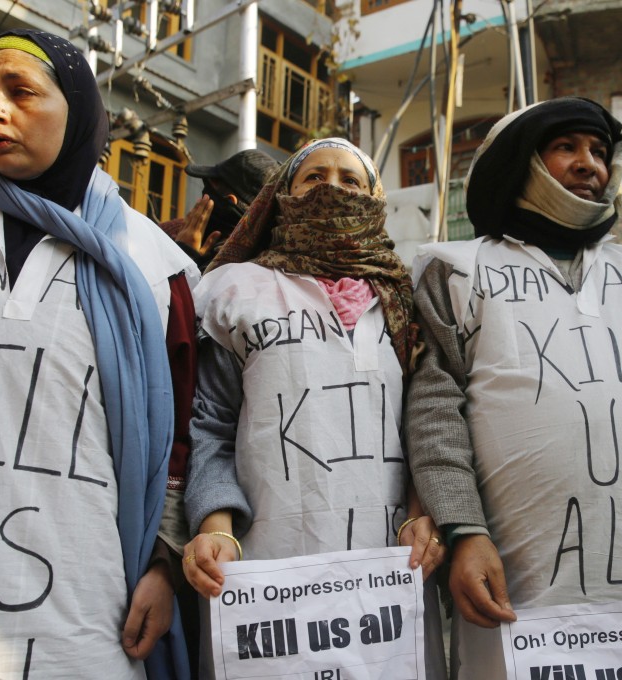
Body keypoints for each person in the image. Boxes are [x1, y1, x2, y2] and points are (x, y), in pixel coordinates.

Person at [405, 97, 622, 679]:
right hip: (518, 593)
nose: (588, 163)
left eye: (598, 151)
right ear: (522, 162)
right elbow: (434, 413)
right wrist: (464, 532)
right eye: (566, 147)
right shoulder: (457, 271)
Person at [0, 29, 196, 678]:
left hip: (83, 609)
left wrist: (163, 562)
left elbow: (188, 432)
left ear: (76, 109)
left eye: (21, 92)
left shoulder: (155, 264)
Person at [181, 138, 447, 679]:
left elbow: (423, 421)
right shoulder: (234, 290)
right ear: (282, 196)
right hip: (266, 573)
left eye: (350, 180)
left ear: (375, 200)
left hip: (386, 576)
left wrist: (423, 515)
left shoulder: (404, 299)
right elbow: (209, 425)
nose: (331, 187)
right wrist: (215, 529)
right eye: (313, 177)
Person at [160, 149, 279, 269]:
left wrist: (184, 256)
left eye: (212, 185)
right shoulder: (171, 231)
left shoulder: (242, 267)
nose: (202, 198)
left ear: (230, 201)